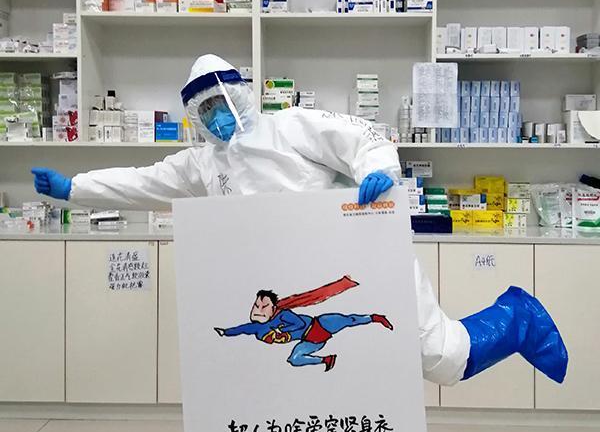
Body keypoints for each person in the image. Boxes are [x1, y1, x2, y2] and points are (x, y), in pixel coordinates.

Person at [31, 53, 568, 387]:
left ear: (240, 94)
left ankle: (518, 317)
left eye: (220, 102)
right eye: (205, 110)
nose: (217, 116)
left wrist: (376, 173)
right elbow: (142, 181)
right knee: (319, 386)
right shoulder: (202, 163)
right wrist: (73, 189)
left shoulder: (289, 126)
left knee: (440, 358)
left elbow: (364, 137)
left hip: (362, 258)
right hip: (294, 297)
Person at [215, 286, 393, 372]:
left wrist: (284, 333)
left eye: (264, 306)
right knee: (294, 359)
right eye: (256, 306)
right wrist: (225, 332)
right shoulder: (255, 327)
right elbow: (241, 329)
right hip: (311, 341)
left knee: (348, 320)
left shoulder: (283, 315)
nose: (259, 310)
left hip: (319, 324)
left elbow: (299, 324)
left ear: (273, 307)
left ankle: (375, 318)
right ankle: (326, 360)